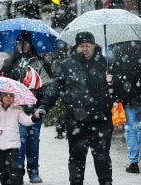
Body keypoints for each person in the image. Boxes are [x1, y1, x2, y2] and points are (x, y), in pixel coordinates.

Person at [35, 31, 116, 185]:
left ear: (94, 46)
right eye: (81, 46)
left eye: (88, 45)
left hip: (102, 121)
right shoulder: (66, 65)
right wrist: (44, 105)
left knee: (103, 158)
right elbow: (55, 87)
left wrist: (112, 83)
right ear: (76, 47)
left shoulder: (105, 64)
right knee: (76, 158)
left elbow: (117, 94)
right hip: (76, 121)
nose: (85, 49)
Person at [0, 31, 52, 183]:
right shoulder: (11, 62)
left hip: (35, 107)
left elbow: (48, 85)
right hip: (17, 109)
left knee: (33, 141)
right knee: (20, 141)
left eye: (26, 43)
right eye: (20, 43)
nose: (22, 46)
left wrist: (41, 103)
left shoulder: (39, 62)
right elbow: (4, 82)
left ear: (30, 44)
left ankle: (34, 171)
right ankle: (18, 171)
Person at [109, 41, 141, 173]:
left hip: (128, 96)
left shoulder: (117, 51)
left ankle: (133, 162)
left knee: (130, 129)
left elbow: (116, 77)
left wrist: (115, 90)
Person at [0, 92, 43, 185]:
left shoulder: (17, 110)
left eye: (11, 96)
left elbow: (26, 121)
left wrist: (35, 118)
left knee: (15, 170)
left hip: (13, 146)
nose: (8, 97)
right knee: (2, 172)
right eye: (6, 95)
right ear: (1, 97)